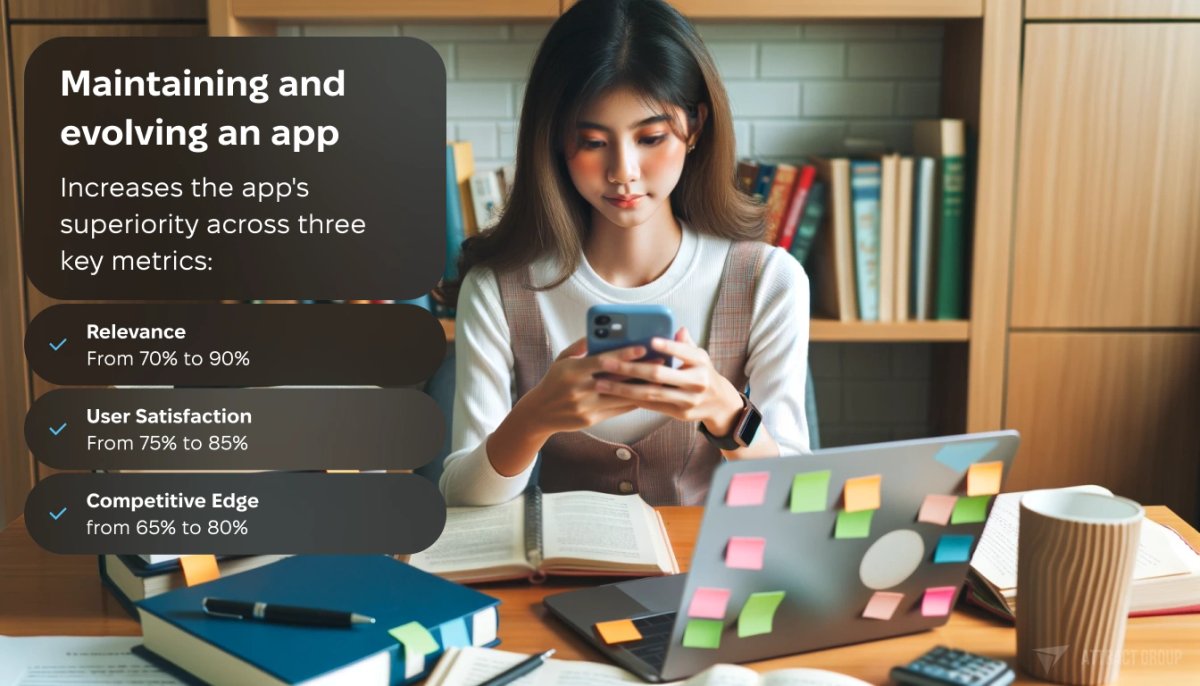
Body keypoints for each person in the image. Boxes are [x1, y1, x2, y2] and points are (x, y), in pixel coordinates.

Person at [436, 0, 809, 507]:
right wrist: (536, 415)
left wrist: (725, 408)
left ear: (695, 126)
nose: (624, 171)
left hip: (703, 576)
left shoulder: (768, 280)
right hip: (555, 582)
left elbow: (796, 497)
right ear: (555, 143)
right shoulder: (499, 289)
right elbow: (458, 496)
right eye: (592, 142)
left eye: (651, 137)